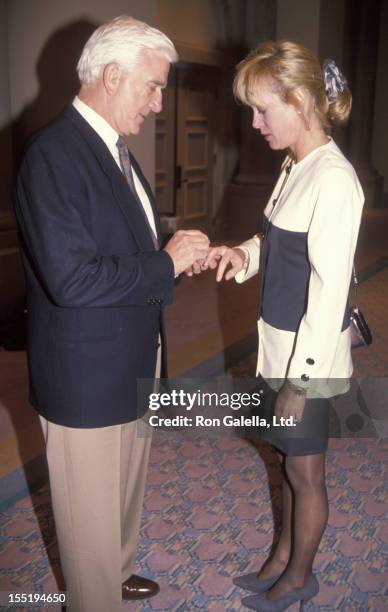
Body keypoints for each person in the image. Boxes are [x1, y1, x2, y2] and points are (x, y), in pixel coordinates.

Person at [13, 16, 209, 612]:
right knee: (88, 510)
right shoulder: (54, 156)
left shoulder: (112, 150)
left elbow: (121, 250)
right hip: (85, 376)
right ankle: (94, 596)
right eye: (151, 87)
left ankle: (116, 571)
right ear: (111, 74)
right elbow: (72, 279)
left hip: (128, 359)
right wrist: (163, 266)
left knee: (123, 492)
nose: (157, 103)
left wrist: (173, 260)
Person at [203, 41, 364, 610]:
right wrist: (242, 256)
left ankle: (300, 576)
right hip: (279, 344)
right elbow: (274, 240)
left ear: (299, 101)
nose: (254, 123)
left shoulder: (334, 181)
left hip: (309, 359)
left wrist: (302, 383)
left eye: (261, 109)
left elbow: (329, 295)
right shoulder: (295, 164)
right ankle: (280, 558)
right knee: (287, 462)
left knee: (306, 473)